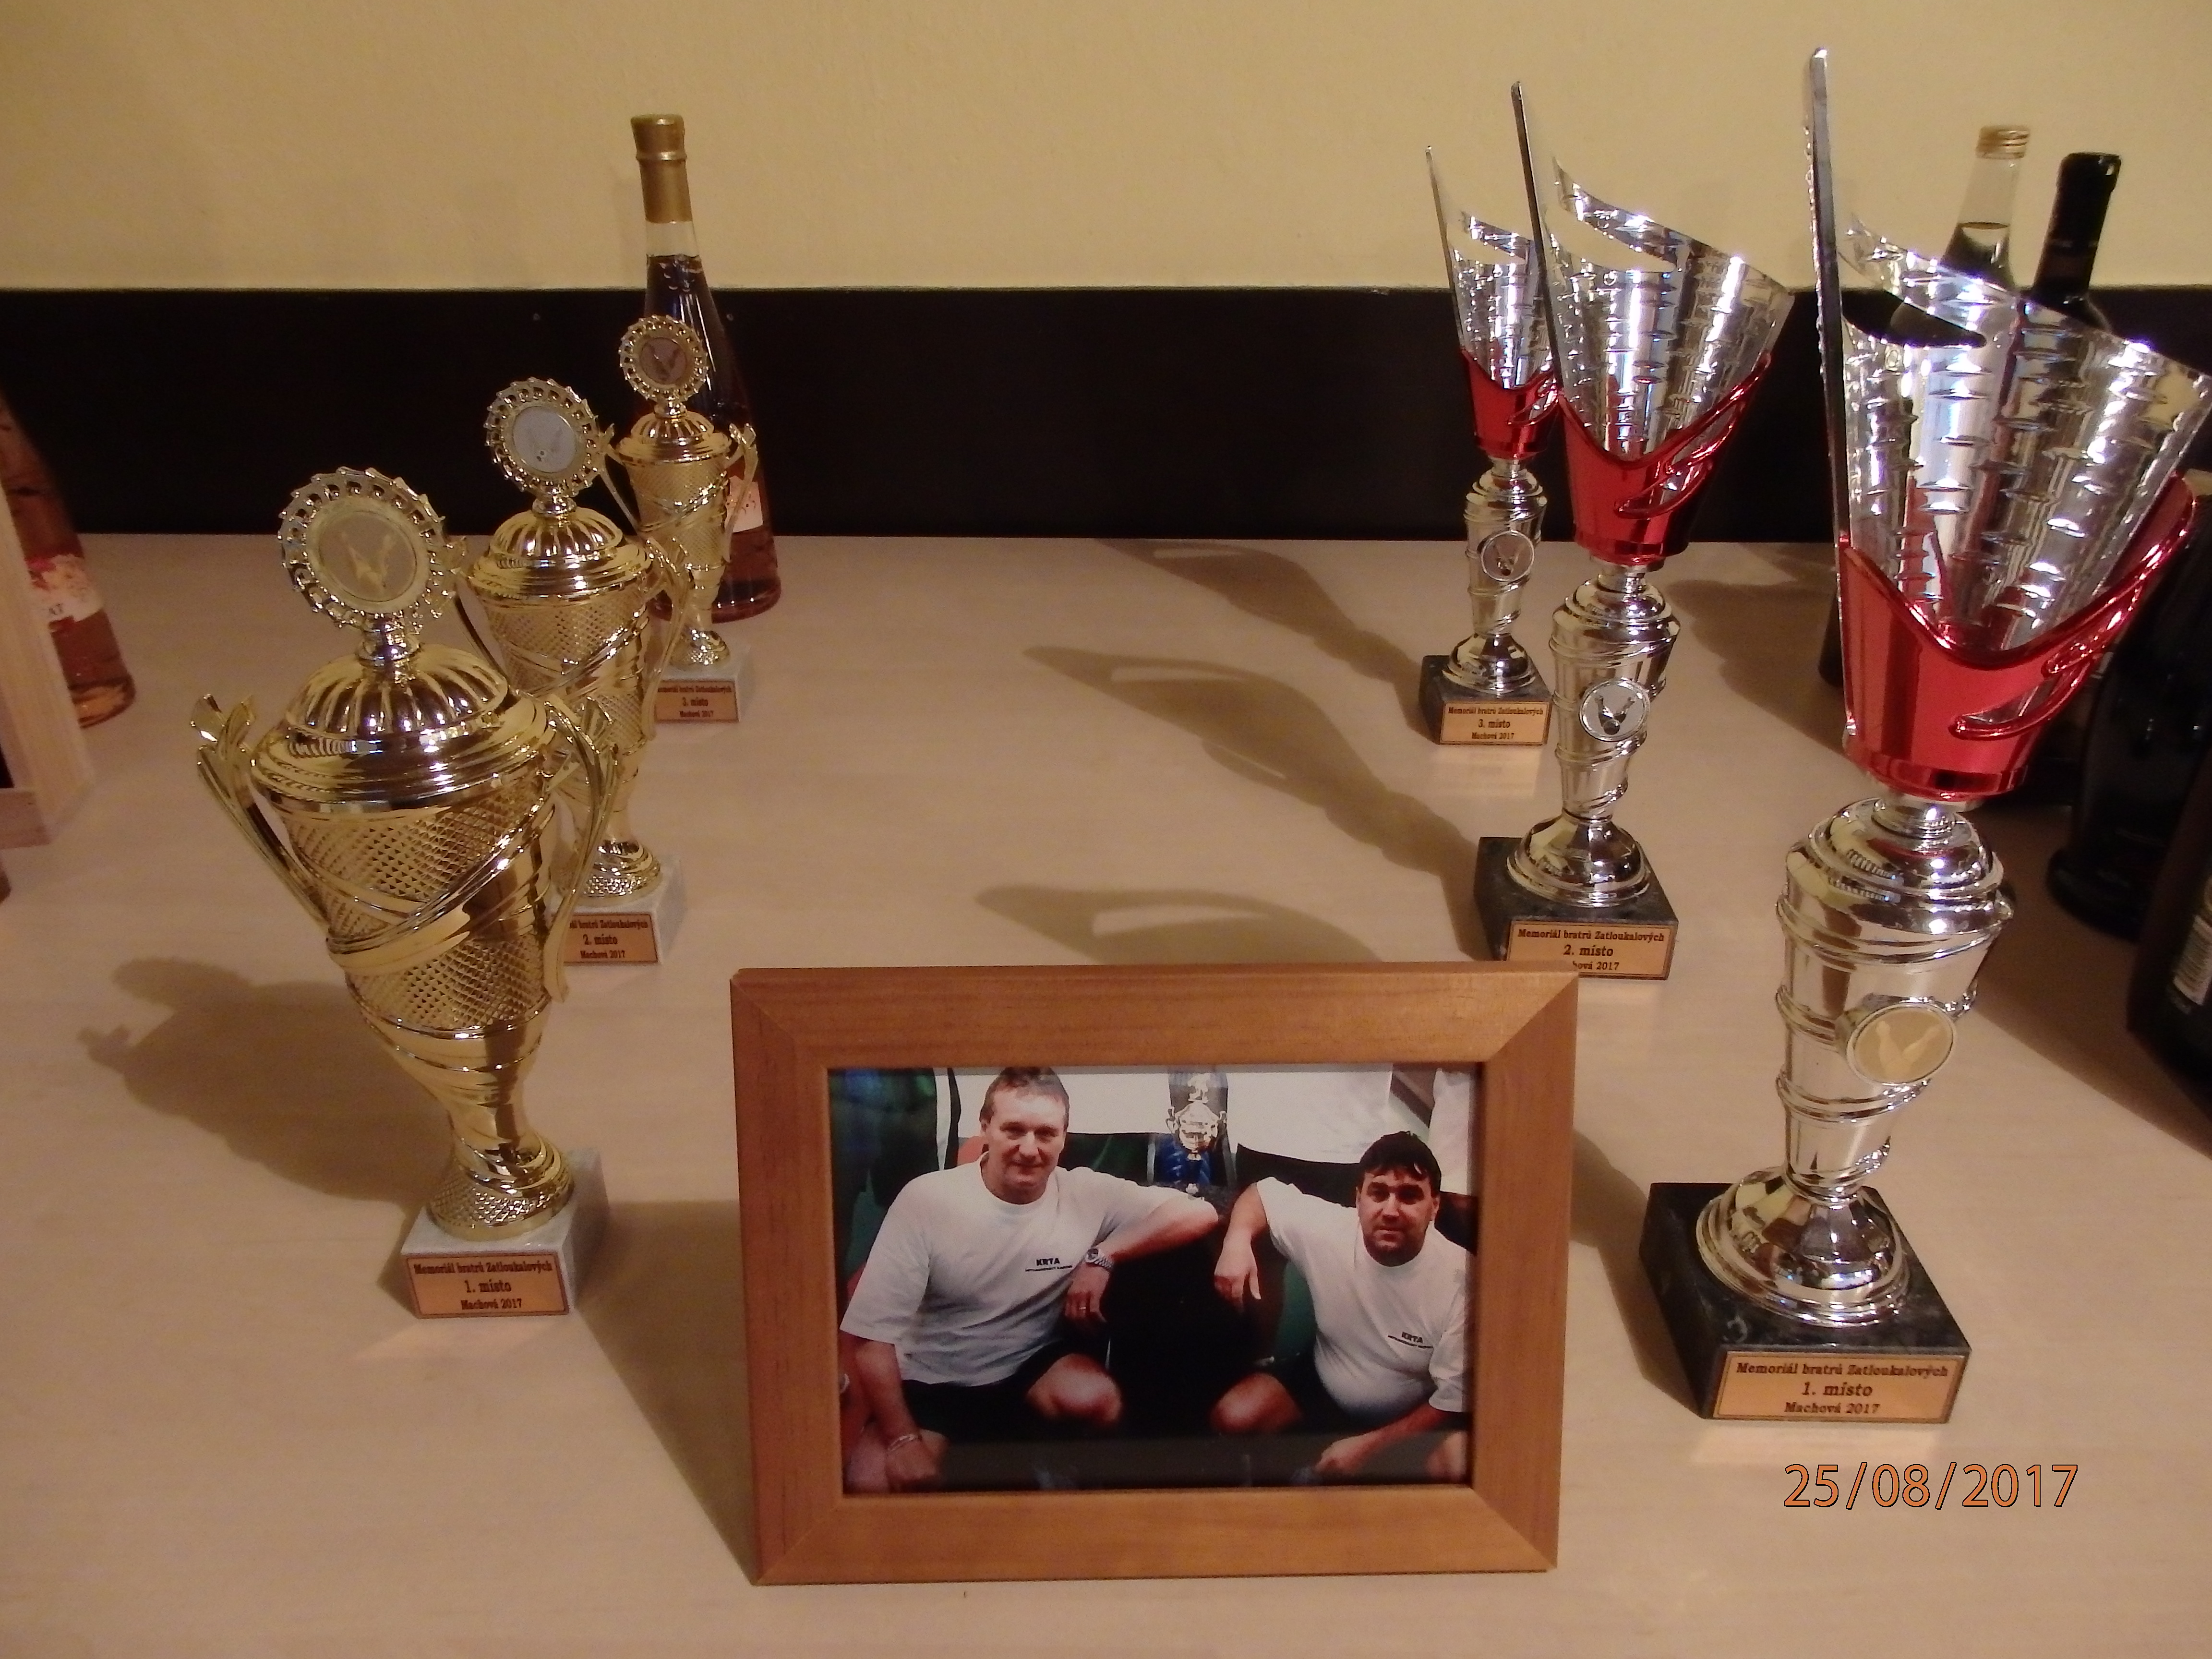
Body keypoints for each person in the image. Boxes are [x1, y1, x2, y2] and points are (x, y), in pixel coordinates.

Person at [841, 1066, 1221, 1491]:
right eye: (1014, 1131)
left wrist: (1103, 1257)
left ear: (1064, 1137)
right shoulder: (927, 1200)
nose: (1029, 1149)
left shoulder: (1086, 1192)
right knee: (871, 1482)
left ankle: (1061, 1489)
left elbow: (1199, 1212)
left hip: (1026, 1369)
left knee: (1097, 1399)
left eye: (1045, 1134)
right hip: (932, 1381)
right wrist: (902, 1439)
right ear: (985, 1127)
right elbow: (871, 1341)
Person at [1209, 1130, 1469, 1480]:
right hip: (1322, 1382)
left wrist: (1368, 1446)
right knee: (1234, 1417)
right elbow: (1262, 1194)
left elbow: (1453, 1402)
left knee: (1457, 1459)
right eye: (1379, 1193)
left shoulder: (1463, 1282)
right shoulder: (1331, 1231)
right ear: (1358, 1199)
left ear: (1434, 1206)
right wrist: (1236, 1240)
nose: (1391, 1210)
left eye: (1409, 1196)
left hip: (1410, 1419)